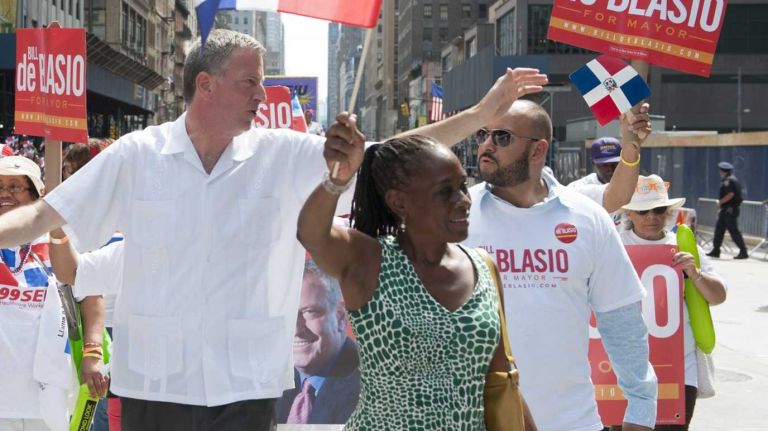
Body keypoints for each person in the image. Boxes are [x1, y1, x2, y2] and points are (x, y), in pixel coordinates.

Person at [0, 28, 548, 429]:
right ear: (206, 86)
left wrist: (480, 113)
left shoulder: (285, 155)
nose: (262, 96)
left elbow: (390, 158)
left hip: (248, 387)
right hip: (155, 387)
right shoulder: (137, 155)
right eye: (249, 84)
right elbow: (40, 218)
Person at [297, 134, 536, 430]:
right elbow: (311, 234)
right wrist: (336, 179)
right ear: (399, 202)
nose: (463, 201)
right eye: (444, 192)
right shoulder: (369, 259)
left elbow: (501, 378)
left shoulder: (484, 268)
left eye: (462, 187)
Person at [463, 99, 658, 431]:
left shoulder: (587, 217)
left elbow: (622, 322)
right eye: (483, 134)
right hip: (472, 423)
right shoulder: (458, 215)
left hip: (573, 422)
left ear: (538, 150)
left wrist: (640, 410)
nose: (486, 145)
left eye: (502, 137)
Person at [620, 174, 727, 431]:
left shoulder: (684, 245)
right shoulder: (614, 243)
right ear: (629, 213)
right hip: (625, 361)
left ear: (668, 212)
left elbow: (719, 295)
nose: (651, 217)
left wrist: (695, 273)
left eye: (658, 209)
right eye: (643, 210)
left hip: (679, 359)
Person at [0, 156, 65, 431]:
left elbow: (87, 293)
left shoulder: (57, 242)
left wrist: (93, 350)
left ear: (35, 194)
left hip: (48, 395)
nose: (5, 194)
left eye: (14, 186)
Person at [275, 259, 360, 424]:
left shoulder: (377, 388)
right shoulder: (268, 383)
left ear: (340, 317)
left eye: (309, 312)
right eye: (286, 313)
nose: (296, 329)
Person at [707, 161, 748, 259]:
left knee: (733, 231)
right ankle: (716, 250)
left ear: (722, 171)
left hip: (729, 210)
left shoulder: (728, 181)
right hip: (727, 210)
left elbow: (730, 194)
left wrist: (720, 202)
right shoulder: (734, 179)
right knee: (719, 230)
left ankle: (743, 251)